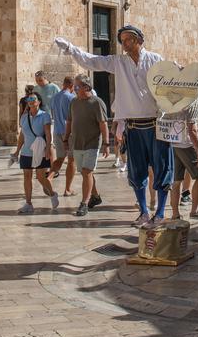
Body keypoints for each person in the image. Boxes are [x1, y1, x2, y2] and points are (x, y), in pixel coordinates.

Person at [56, 26, 175, 230]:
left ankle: (161, 212)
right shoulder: (119, 62)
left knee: (162, 168)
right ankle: (144, 212)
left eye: (129, 39)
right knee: (137, 171)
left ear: (139, 39)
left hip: (156, 125)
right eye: (122, 40)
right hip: (134, 126)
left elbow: (172, 78)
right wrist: (70, 48)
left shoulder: (155, 60)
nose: (125, 44)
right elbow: (92, 60)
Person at [66, 75, 109, 216]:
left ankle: (84, 203)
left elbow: (103, 124)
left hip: (92, 143)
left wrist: (107, 144)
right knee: (85, 173)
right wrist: (66, 138)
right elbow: (69, 121)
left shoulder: (96, 103)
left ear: (86, 87)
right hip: (77, 143)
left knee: (86, 171)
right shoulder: (74, 102)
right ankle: (95, 197)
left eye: (77, 87)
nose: (74, 90)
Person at [12, 93, 58, 214]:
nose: (31, 101)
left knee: (40, 177)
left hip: (39, 151)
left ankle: (52, 194)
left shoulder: (45, 116)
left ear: (38, 102)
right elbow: (22, 135)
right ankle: (28, 203)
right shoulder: (24, 117)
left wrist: (48, 148)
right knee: (27, 176)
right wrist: (17, 151)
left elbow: (48, 134)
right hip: (26, 151)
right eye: (29, 99)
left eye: (33, 99)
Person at [166, 93, 198, 222]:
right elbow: (192, 130)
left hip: (173, 142)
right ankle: (194, 211)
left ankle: (175, 214)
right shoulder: (196, 98)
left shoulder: (175, 95)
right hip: (187, 144)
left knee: (176, 180)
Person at [49, 76, 77, 195]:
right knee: (72, 160)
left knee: (60, 158)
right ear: (72, 86)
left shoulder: (55, 97)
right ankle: (67, 189)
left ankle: (49, 178)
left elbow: (52, 113)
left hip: (57, 131)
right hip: (69, 132)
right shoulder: (71, 98)